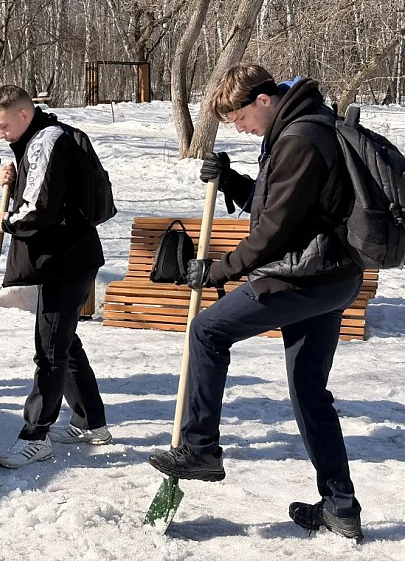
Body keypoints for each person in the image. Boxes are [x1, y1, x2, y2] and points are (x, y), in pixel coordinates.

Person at [148, 64, 364, 541]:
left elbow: (272, 233)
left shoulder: (301, 138)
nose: (239, 128)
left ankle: (201, 448)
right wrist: (231, 181)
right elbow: (282, 207)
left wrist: (216, 271)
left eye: (239, 117)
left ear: (264, 100)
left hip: (304, 278)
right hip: (328, 276)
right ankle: (340, 507)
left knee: (208, 330)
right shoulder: (298, 128)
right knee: (309, 392)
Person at [0, 85, 110, 469]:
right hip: (72, 254)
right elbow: (51, 185)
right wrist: (15, 167)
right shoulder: (48, 137)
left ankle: (36, 436)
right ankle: (91, 422)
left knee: (51, 350)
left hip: (64, 259)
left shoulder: (45, 141)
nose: (0, 134)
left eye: (4, 126)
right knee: (64, 342)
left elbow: (39, 207)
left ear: (25, 115)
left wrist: (6, 221)